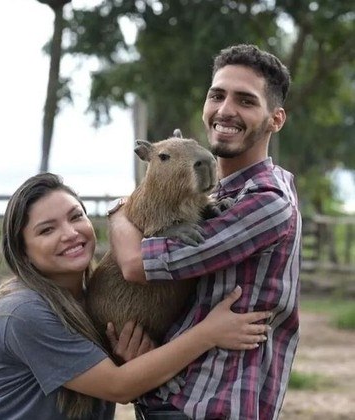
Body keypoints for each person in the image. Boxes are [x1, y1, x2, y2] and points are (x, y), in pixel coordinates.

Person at [0, 172, 272, 420]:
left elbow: (113, 380)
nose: (70, 233)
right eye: (47, 230)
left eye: (76, 217)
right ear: (23, 251)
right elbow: (117, 387)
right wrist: (209, 333)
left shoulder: (92, 300)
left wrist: (134, 360)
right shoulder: (22, 311)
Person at [109, 44, 301, 420]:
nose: (226, 110)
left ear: (276, 119)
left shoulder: (267, 202)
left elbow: (136, 263)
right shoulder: (222, 192)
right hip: (169, 394)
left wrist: (117, 213)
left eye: (246, 101)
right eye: (218, 95)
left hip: (211, 403)